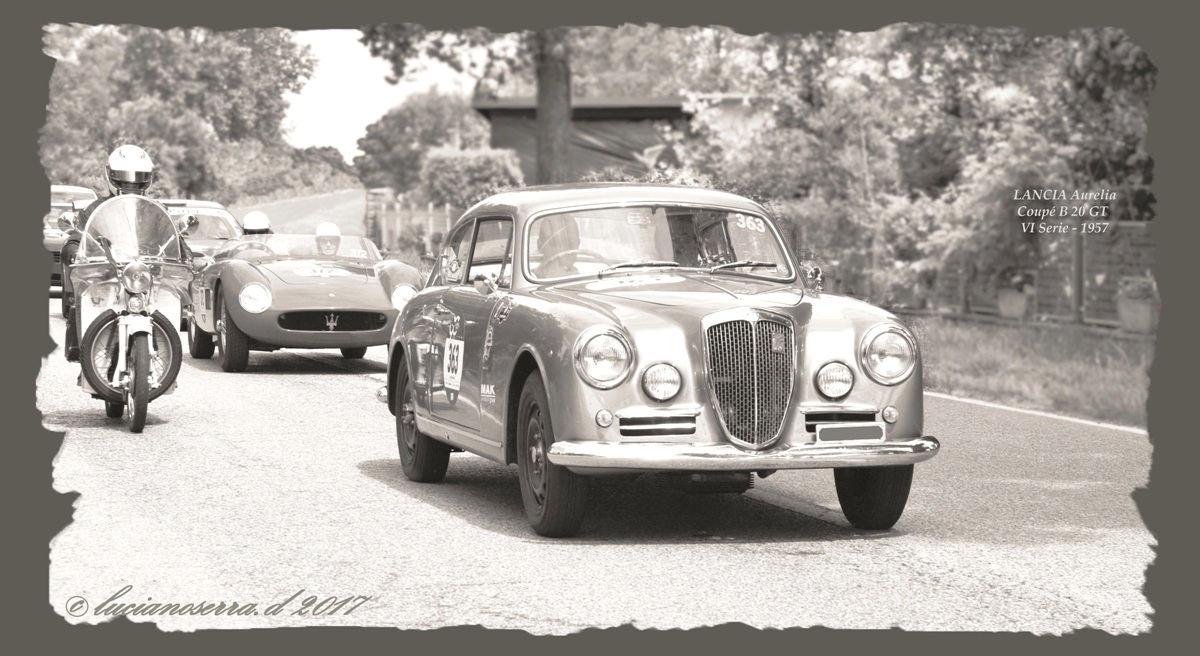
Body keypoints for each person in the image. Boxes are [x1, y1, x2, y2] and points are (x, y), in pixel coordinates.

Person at [64, 145, 157, 362]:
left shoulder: (155, 211)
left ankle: (160, 352)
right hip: (107, 278)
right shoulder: (93, 210)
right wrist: (75, 251)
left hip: (144, 279)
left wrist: (186, 254)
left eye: (138, 178)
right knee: (87, 303)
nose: (131, 183)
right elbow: (75, 239)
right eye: (124, 178)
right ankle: (88, 358)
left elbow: (174, 239)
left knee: (166, 306)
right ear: (110, 175)